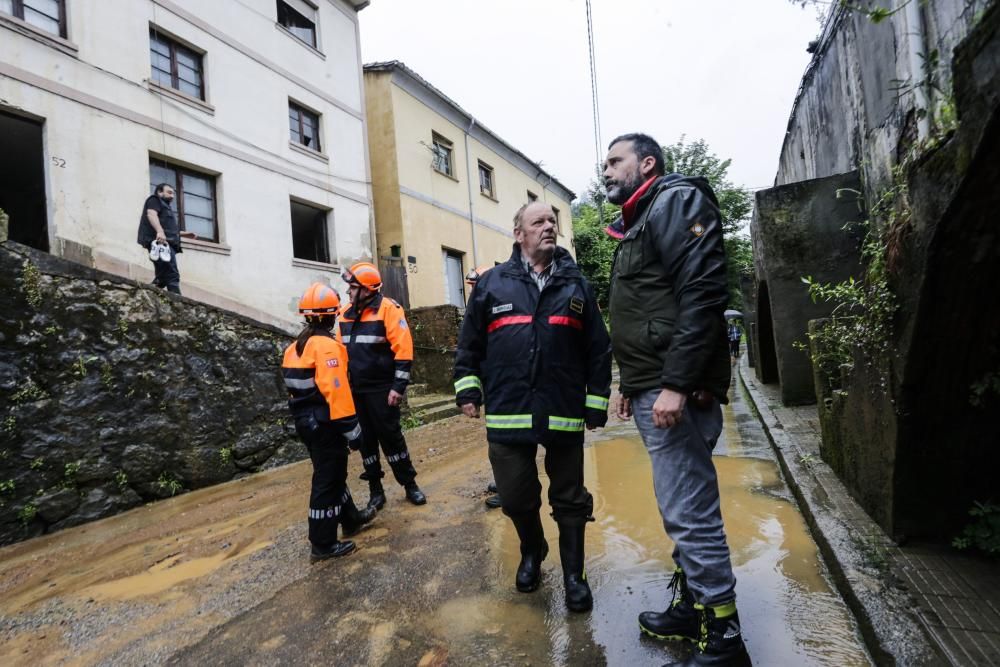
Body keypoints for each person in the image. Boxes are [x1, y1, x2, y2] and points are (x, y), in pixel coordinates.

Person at [603, 133, 751, 666]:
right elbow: (647, 310)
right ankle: (692, 607)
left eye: (615, 161)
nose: (607, 171)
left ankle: (725, 632)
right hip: (655, 382)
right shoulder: (642, 215)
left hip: (676, 389)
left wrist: (675, 383)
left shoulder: (674, 201)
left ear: (647, 163)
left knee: (689, 509)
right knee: (678, 505)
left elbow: (702, 293)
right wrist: (632, 381)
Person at [454, 202, 612, 612]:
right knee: (515, 496)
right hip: (509, 409)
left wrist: (596, 403)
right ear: (519, 234)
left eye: (552, 221)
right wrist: (468, 390)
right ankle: (532, 550)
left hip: (562, 408)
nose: (549, 227)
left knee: (570, 497)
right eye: (538, 221)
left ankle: (574, 575)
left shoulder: (576, 284)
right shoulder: (492, 284)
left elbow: (598, 349)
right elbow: (469, 344)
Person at [281, 282, 377, 561]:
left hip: (306, 423)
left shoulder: (295, 348)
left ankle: (351, 518)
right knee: (327, 480)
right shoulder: (328, 348)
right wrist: (353, 431)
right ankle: (322, 543)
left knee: (332, 474)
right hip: (325, 425)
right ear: (331, 315)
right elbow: (337, 393)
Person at [337, 262, 426, 510]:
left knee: (391, 439)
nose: (349, 292)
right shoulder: (344, 314)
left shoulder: (389, 310)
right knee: (365, 442)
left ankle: (410, 485)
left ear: (366, 290)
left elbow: (404, 351)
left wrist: (398, 387)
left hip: (382, 389)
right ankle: (375, 490)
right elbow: (340, 355)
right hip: (357, 391)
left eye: (353, 287)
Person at [465, 264, 503, 511]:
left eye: (475, 286)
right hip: (493, 383)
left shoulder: (496, 308)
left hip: (503, 386)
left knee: (504, 443)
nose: (473, 291)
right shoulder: (481, 307)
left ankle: (508, 488)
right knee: (497, 442)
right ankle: (504, 483)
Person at [136, 183, 195, 295]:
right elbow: (151, 214)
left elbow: (169, 229)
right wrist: (160, 231)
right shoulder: (154, 200)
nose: (172, 196)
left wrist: (184, 234)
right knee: (171, 273)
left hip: (166, 242)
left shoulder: (166, 207)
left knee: (163, 274)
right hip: (160, 242)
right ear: (159, 192)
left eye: (173, 193)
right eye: (169, 192)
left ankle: (147, 293)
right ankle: (178, 302)